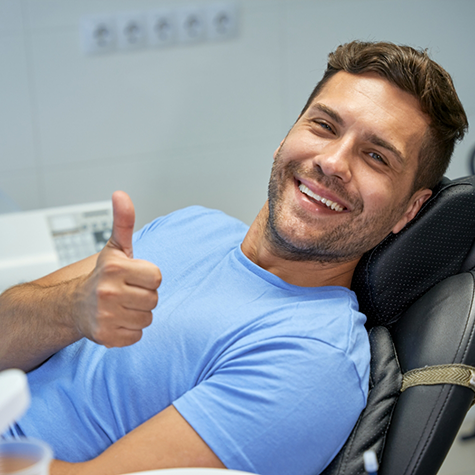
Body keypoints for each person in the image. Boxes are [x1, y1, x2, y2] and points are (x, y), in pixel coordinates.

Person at [0, 41, 468, 475]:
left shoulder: (310, 362)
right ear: (286, 138)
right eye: (324, 126)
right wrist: (70, 308)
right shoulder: (192, 226)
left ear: (408, 210)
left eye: (376, 156)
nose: (333, 162)